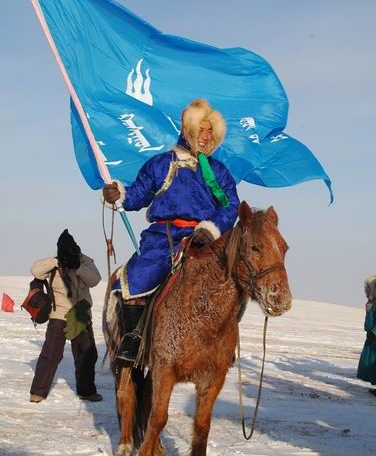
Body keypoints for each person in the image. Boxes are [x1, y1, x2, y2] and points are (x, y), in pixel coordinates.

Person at [102, 99, 240, 361]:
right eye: (201, 129)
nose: (205, 136)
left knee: (231, 281)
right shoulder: (161, 164)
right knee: (138, 274)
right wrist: (118, 194)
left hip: (205, 239)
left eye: (210, 131)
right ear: (188, 129)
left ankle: (223, 342)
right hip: (164, 238)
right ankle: (133, 338)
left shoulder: (219, 172)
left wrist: (212, 229)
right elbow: (137, 196)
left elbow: (230, 205)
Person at [29, 230, 102, 403]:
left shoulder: (85, 260)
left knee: (86, 355)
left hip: (81, 315)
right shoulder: (54, 263)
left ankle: (87, 392)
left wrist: (78, 266)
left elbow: (95, 280)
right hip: (59, 315)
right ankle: (38, 392)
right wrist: (57, 260)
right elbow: (36, 270)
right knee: (50, 354)